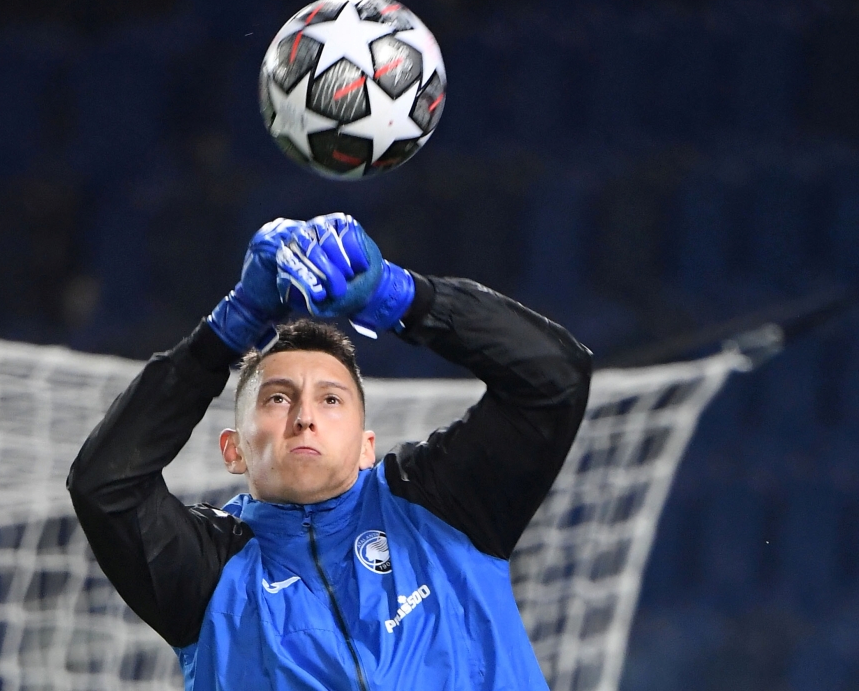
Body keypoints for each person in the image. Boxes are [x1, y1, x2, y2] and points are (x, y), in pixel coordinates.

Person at [68, 213, 592, 690]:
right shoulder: (206, 571)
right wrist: (229, 328)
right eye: (278, 398)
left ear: (368, 447)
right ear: (234, 451)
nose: (305, 415)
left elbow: (553, 378)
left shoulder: (441, 506)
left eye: (331, 398)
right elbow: (105, 485)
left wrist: (398, 295)